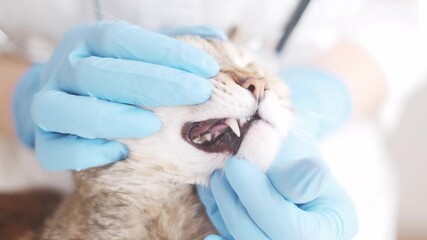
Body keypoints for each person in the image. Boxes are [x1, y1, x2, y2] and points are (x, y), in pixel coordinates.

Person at [2, 0, 426, 239]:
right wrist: (22, 94)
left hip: (339, 166)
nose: (254, 84)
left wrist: (326, 90)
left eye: (250, 71)